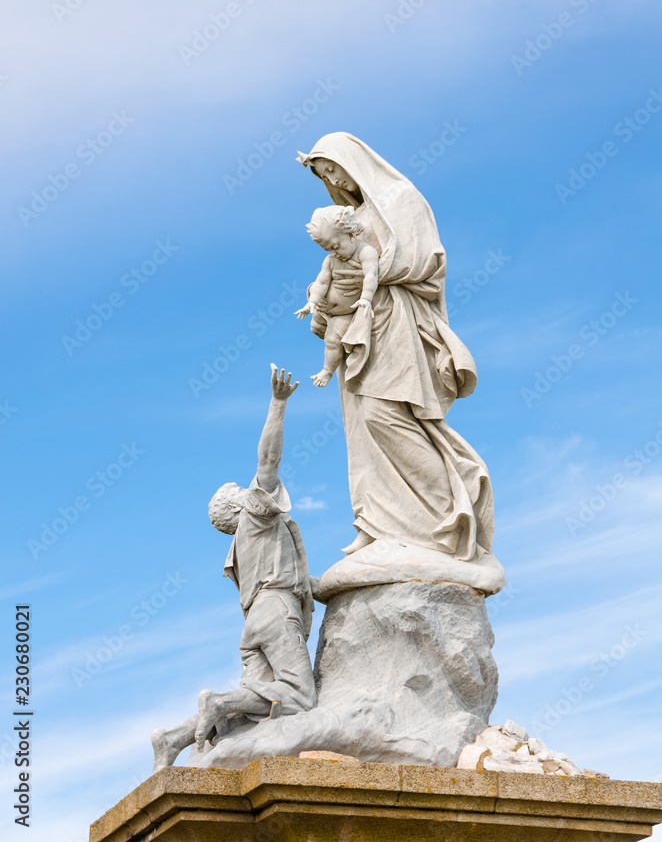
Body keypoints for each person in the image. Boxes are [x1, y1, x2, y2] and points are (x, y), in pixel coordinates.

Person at [296, 133, 494, 560]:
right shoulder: (349, 216)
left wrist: (365, 279)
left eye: (332, 167)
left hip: (394, 318)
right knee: (360, 426)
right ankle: (378, 522)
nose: (331, 179)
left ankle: (449, 510)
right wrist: (326, 300)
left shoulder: (400, 198)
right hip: (354, 329)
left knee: (385, 411)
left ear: (352, 159)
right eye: (322, 175)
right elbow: (334, 271)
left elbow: (427, 261)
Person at [151, 365, 316, 772]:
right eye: (246, 492)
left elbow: (296, 579)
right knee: (299, 697)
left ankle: (171, 739)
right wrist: (278, 405)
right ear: (241, 505)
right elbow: (268, 461)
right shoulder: (257, 517)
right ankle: (217, 702)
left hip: (255, 622)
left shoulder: (241, 548)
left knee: (250, 709)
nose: (254, 489)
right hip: (277, 614)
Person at [295, 205, 379, 387]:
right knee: (323, 336)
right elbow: (322, 282)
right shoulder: (331, 260)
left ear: (350, 234)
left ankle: (327, 371)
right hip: (327, 312)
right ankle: (326, 368)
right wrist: (312, 302)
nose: (334, 253)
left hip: (345, 313)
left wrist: (365, 298)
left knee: (333, 341)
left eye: (336, 246)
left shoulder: (366, 253)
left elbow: (371, 275)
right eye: (329, 250)